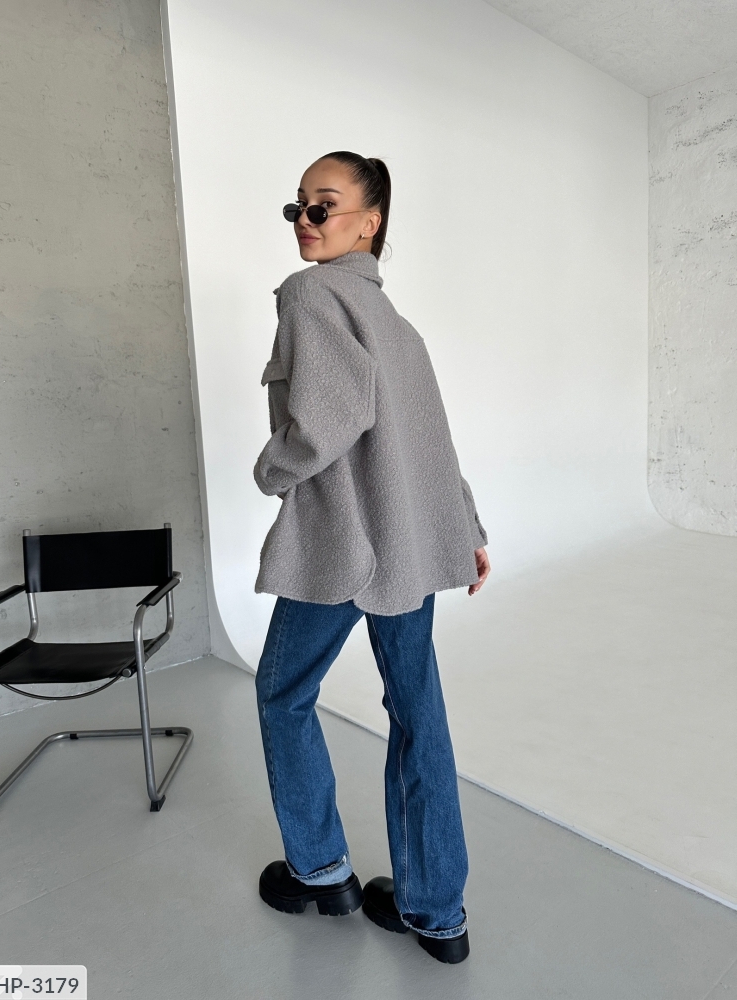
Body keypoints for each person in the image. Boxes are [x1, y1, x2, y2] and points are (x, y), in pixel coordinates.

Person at [253, 150, 490, 965]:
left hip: (344, 547)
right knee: (419, 716)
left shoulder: (310, 294)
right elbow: (432, 440)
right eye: (298, 207)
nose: (306, 221)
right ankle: (437, 913)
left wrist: (271, 471)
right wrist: (464, 527)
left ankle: (321, 871)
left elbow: (327, 423)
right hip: (408, 548)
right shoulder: (396, 322)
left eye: (323, 205)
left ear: (370, 220)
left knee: (283, 693)